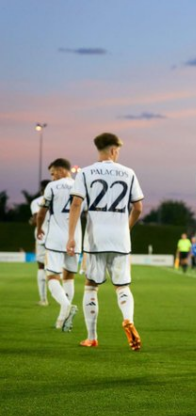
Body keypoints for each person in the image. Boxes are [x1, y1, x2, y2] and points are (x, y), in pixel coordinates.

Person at [67, 133, 144, 350]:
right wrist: (126, 227)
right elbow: (138, 208)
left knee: (91, 286)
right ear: (113, 150)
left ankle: (92, 337)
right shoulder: (128, 173)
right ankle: (128, 319)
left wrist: (72, 237)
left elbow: (75, 205)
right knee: (122, 286)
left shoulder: (86, 173)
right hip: (120, 239)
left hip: (95, 239)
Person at [36, 159, 81, 331]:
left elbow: (42, 213)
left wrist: (40, 228)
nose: (52, 177)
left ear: (62, 170)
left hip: (55, 238)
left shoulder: (52, 187)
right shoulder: (80, 184)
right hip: (74, 238)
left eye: (53, 173)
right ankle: (64, 320)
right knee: (69, 276)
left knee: (52, 276)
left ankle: (65, 306)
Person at [30, 179, 51, 306]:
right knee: (59, 269)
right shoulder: (59, 199)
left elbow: (37, 218)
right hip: (57, 235)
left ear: (41, 189)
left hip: (42, 235)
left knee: (41, 266)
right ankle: (65, 299)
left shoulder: (36, 201)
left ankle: (44, 299)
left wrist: (31, 221)